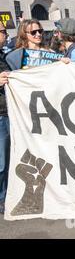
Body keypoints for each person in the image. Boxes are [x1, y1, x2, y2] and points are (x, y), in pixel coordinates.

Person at [0, 22, 10, 214]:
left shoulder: (3, 56)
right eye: (2, 31)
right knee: (0, 162)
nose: (6, 34)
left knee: (7, 159)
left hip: (7, 114)